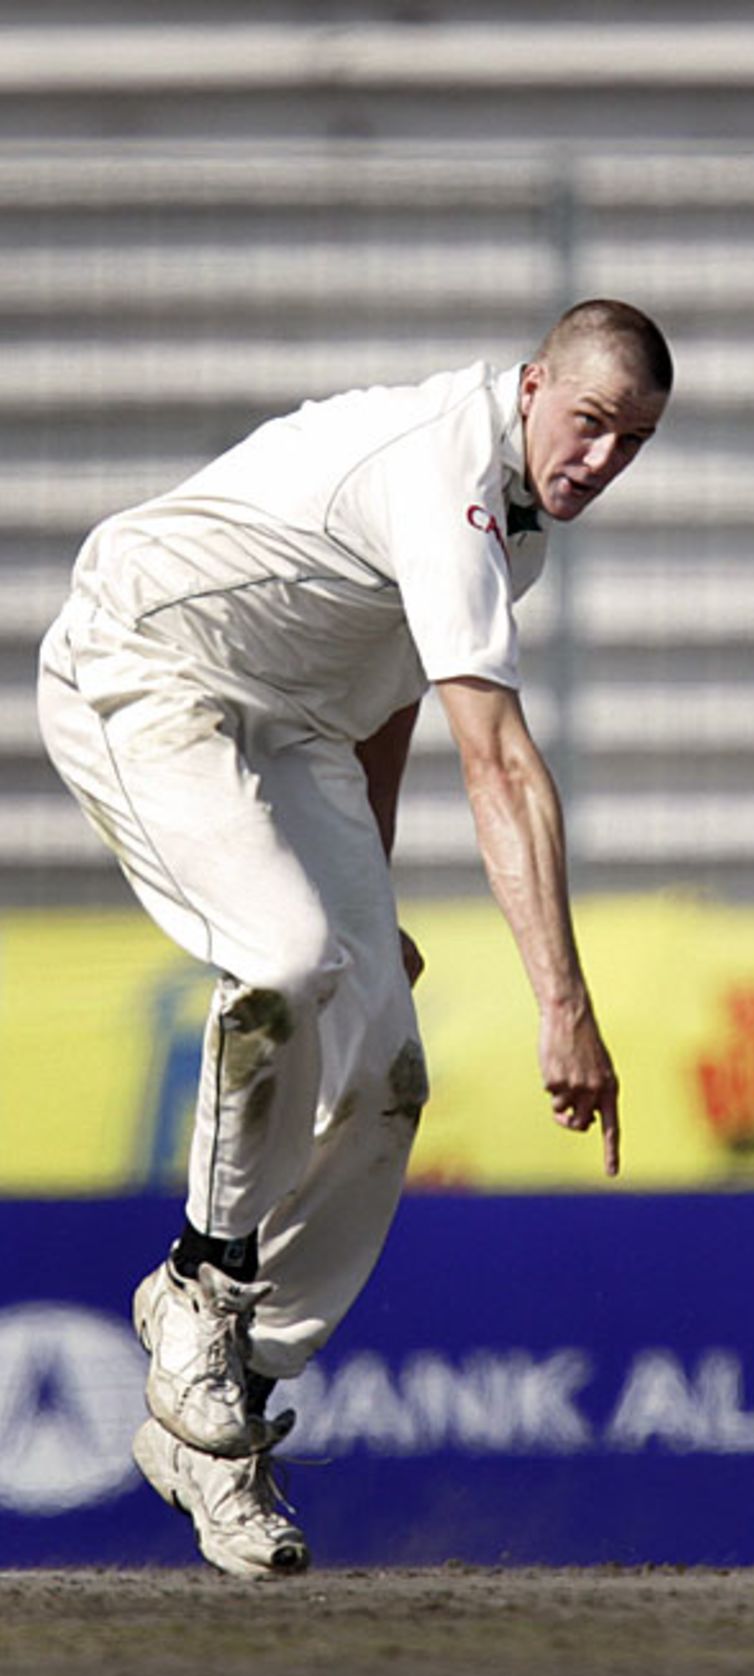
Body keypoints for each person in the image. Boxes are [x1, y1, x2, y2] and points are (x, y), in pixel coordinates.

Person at [36, 298, 673, 1578]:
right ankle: (196, 1292)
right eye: (591, 422)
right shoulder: (443, 470)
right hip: (144, 669)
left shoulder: (518, 535)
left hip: (295, 731)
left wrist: (369, 892)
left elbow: (384, 704)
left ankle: (220, 1427)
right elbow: (497, 761)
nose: (601, 459)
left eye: (632, 443)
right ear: (536, 380)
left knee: (389, 1076)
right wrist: (563, 1003)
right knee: (277, 961)